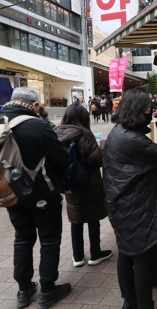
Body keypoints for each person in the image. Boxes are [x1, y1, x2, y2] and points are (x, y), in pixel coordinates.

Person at [102, 89, 157, 309]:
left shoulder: (118, 131)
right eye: (147, 109)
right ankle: (144, 305)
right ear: (138, 110)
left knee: (127, 254)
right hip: (136, 207)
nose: (150, 111)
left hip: (122, 204)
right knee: (142, 260)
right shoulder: (132, 139)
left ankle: (129, 301)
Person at [0, 88, 71, 309]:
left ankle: (24, 289)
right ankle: (48, 289)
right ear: (32, 105)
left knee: (22, 238)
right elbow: (62, 158)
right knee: (49, 239)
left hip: (11, 193)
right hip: (42, 194)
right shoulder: (38, 126)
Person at [54, 103, 113, 267]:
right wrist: (102, 146)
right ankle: (95, 254)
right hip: (89, 184)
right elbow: (96, 160)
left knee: (76, 219)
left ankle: (78, 256)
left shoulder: (57, 133)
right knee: (93, 219)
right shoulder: (84, 134)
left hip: (70, 184)